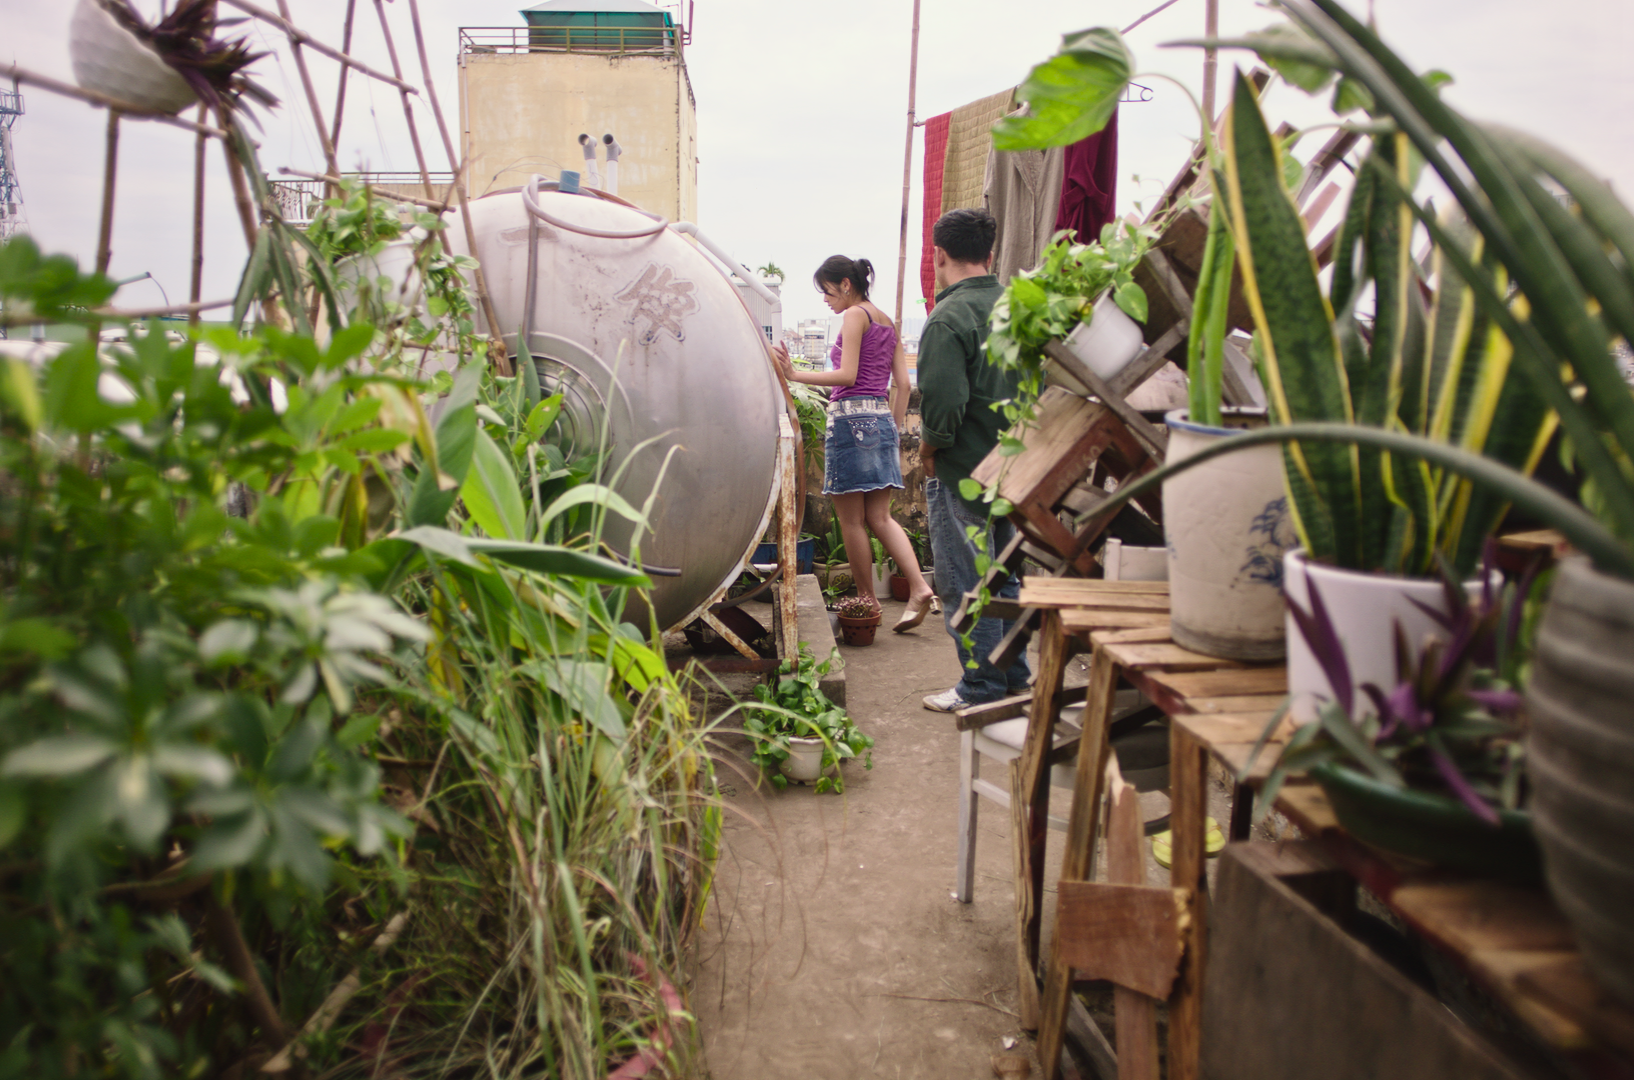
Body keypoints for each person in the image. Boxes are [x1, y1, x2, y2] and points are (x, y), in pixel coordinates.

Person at [773, 256, 935, 630]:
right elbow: (904, 385)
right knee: (879, 517)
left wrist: (795, 373)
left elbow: (847, 374)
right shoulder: (888, 323)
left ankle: (867, 601)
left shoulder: (854, 316)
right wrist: (892, 432)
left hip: (849, 423)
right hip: (880, 420)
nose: (827, 301)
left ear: (846, 284)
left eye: (828, 292)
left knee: (850, 521)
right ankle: (920, 586)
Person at [916, 208, 1031, 711]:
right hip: (1020, 469)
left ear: (939, 255)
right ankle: (1014, 678)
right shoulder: (1020, 309)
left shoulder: (948, 319)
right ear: (990, 254)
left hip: (965, 473)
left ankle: (981, 688)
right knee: (1006, 579)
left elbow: (943, 407)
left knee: (968, 585)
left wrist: (927, 450)